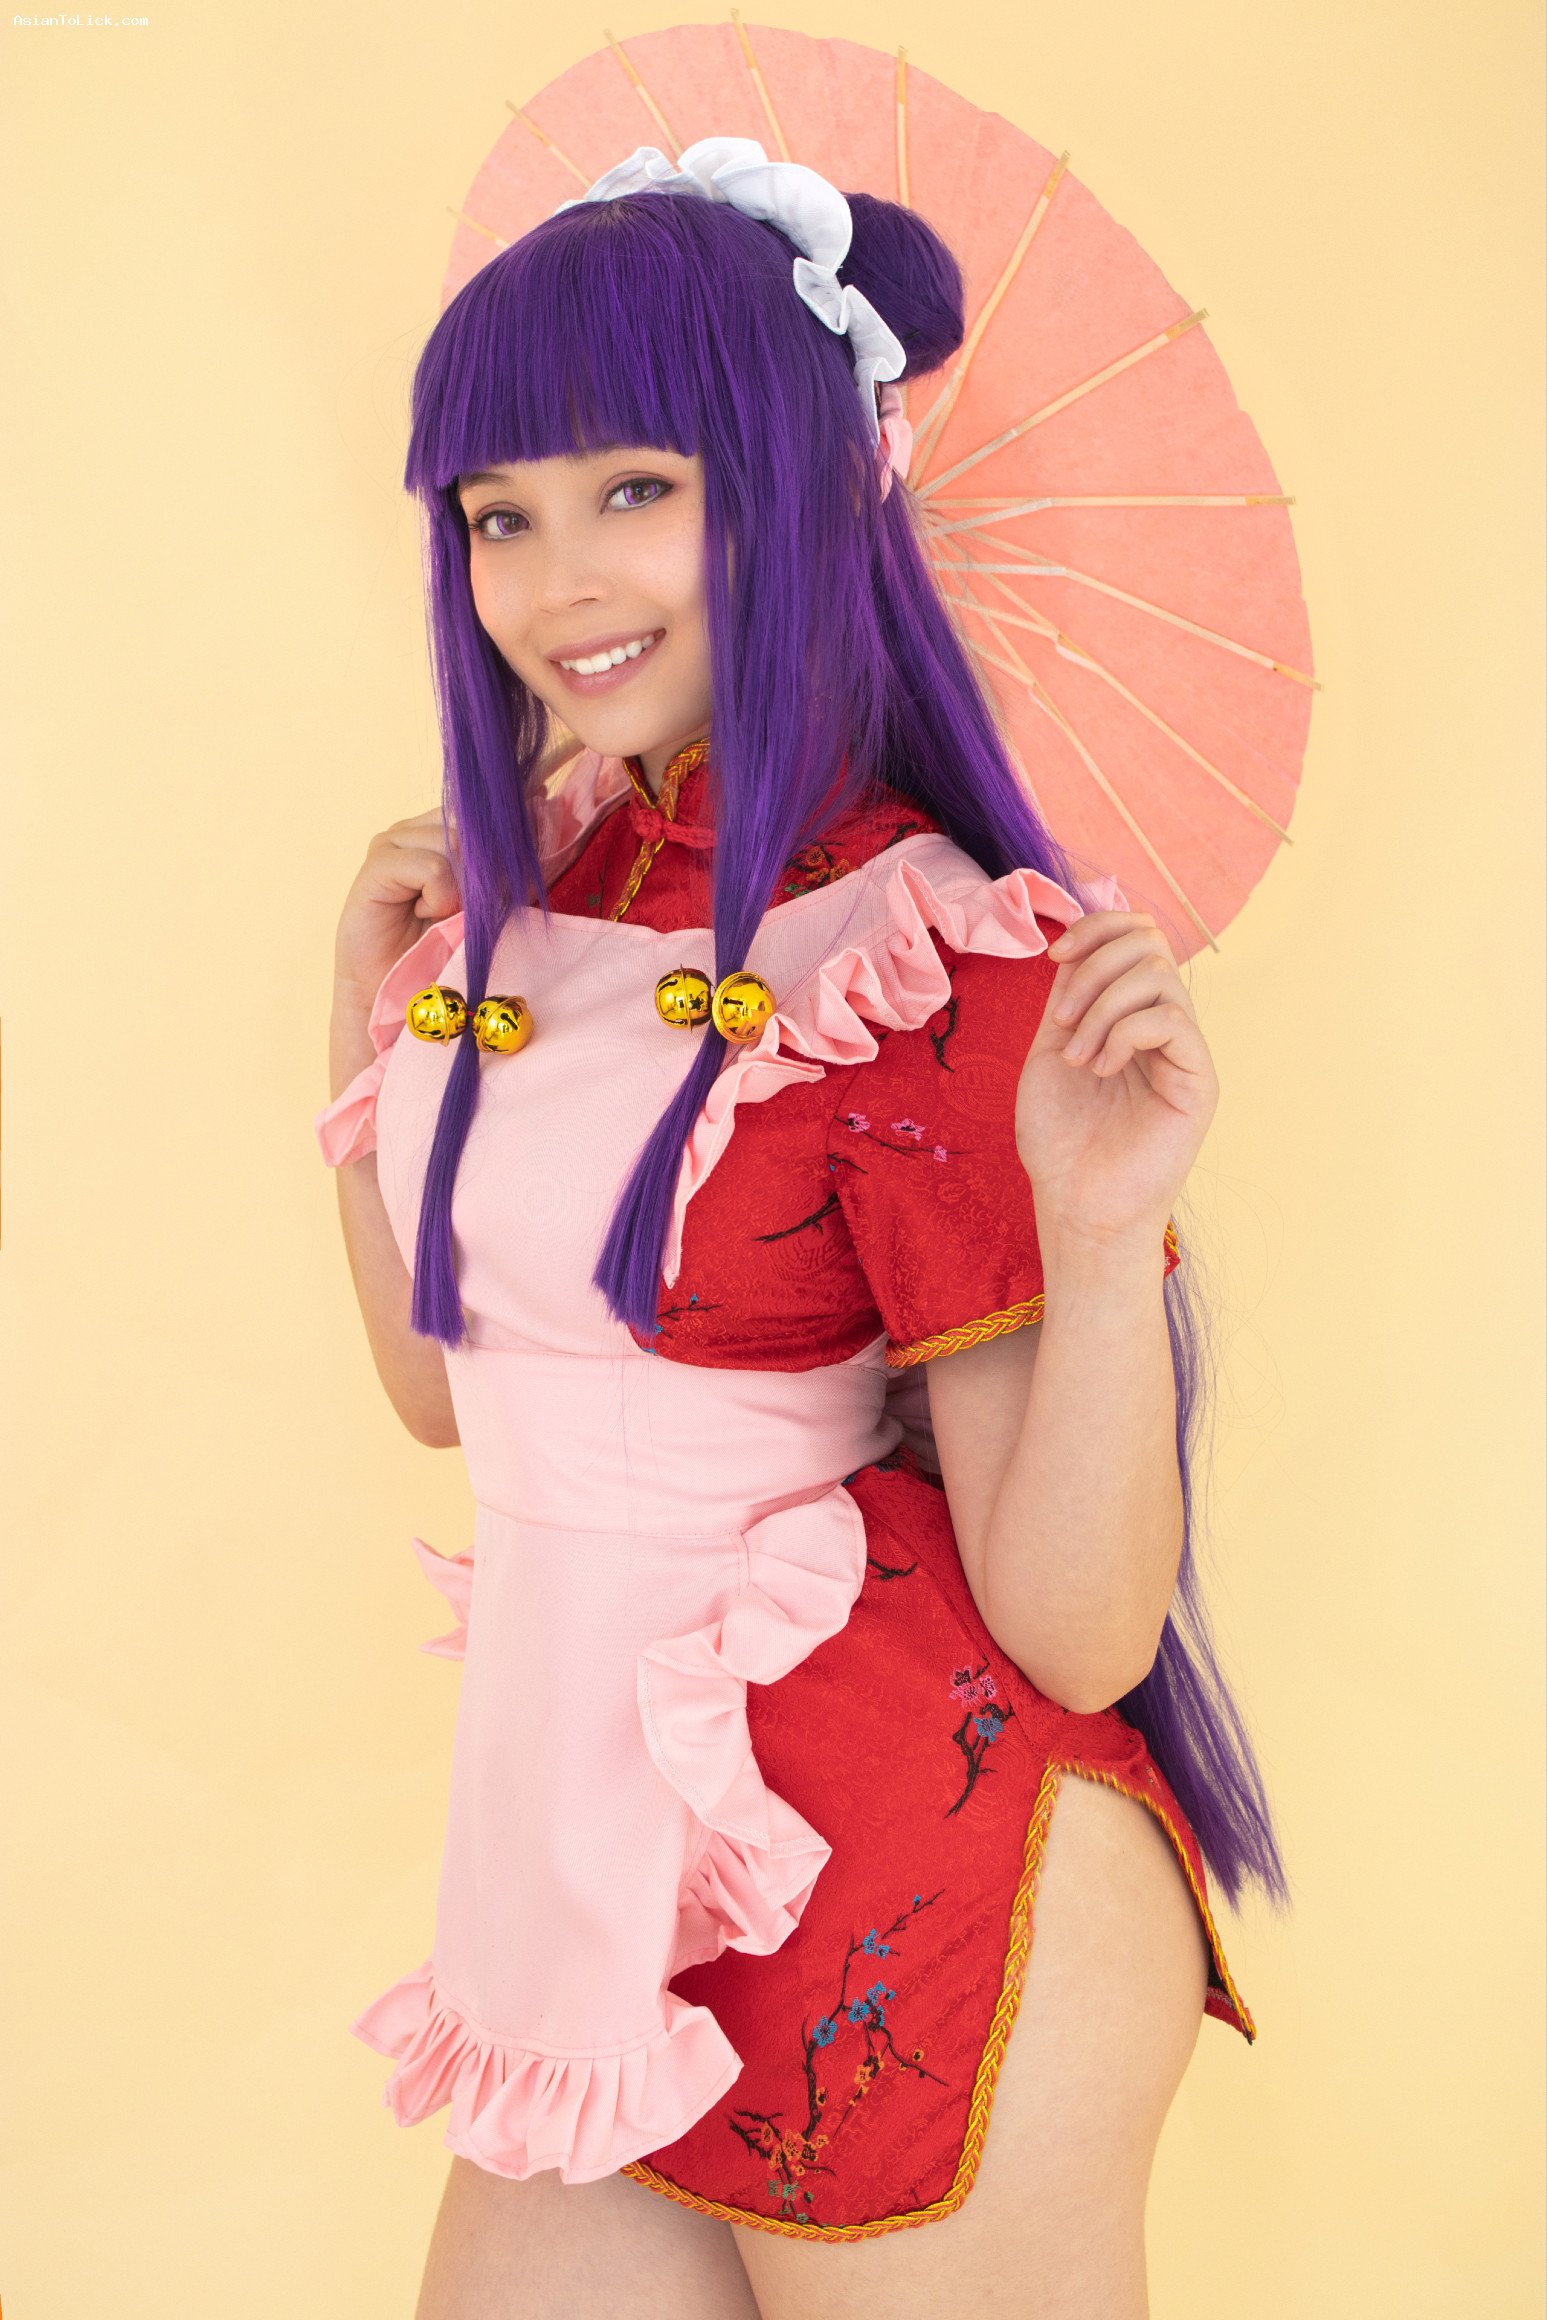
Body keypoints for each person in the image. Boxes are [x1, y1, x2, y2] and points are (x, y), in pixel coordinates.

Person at [317, 139, 1283, 2320]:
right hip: (591, 1879)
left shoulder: (927, 956)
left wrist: (1101, 1238)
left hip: (903, 1874)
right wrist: (362, 1039)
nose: (556, 576)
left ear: (804, 484)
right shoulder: (532, 904)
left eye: (633, 487)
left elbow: (1076, 1638)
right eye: (499, 512)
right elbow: (445, 1396)